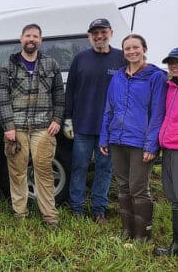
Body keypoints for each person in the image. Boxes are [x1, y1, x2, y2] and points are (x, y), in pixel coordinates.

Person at [99, 34, 167, 242]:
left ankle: (142, 235)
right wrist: (104, 137)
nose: (131, 51)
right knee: (123, 186)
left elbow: (157, 113)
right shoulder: (118, 77)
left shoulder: (156, 77)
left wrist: (151, 145)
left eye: (135, 47)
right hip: (117, 140)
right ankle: (127, 231)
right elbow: (109, 109)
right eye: (127, 48)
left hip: (140, 142)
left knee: (139, 188)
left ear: (144, 49)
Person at [0, 24, 64, 227]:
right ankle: (20, 214)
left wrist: (57, 120)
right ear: (21, 39)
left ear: (41, 40)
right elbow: (2, 97)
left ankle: (50, 216)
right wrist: (8, 126)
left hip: (44, 127)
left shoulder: (51, 64)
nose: (31, 39)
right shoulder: (8, 66)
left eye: (35, 36)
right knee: (17, 172)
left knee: (44, 171)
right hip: (16, 127)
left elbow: (59, 95)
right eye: (28, 36)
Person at [64, 18, 125, 223]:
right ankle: (77, 208)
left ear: (111, 33)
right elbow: (70, 90)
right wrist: (67, 118)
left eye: (103, 32)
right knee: (79, 167)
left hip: (109, 128)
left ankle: (99, 209)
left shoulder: (121, 58)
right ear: (89, 36)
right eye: (95, 33)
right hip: (82, 126)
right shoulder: (80, 58)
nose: (99, 36)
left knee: (104, 169)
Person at [154, 48, 178, 256]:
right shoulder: (171, 86)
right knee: (173, 199)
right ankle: (177, 245)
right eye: (171, 62)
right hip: (168, 149)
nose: (174, 66)